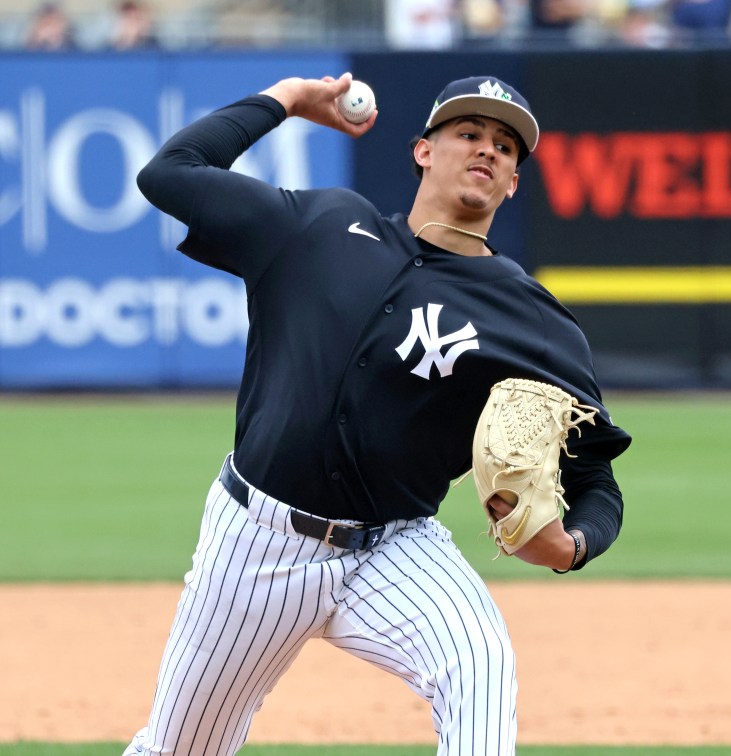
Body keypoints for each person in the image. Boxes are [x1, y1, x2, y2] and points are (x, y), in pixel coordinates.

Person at [125, 72, 631, 755]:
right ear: (424, 151)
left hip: (394, 547)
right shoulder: (319, 225)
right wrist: (288, 99)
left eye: (507, 147)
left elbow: (594, 472)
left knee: (479, 665)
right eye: (469, 133)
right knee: (180, 749)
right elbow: (171, 173)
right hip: (254, 543)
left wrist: (574, 545)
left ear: (513, 182)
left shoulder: (531, 319)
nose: (488, 150)